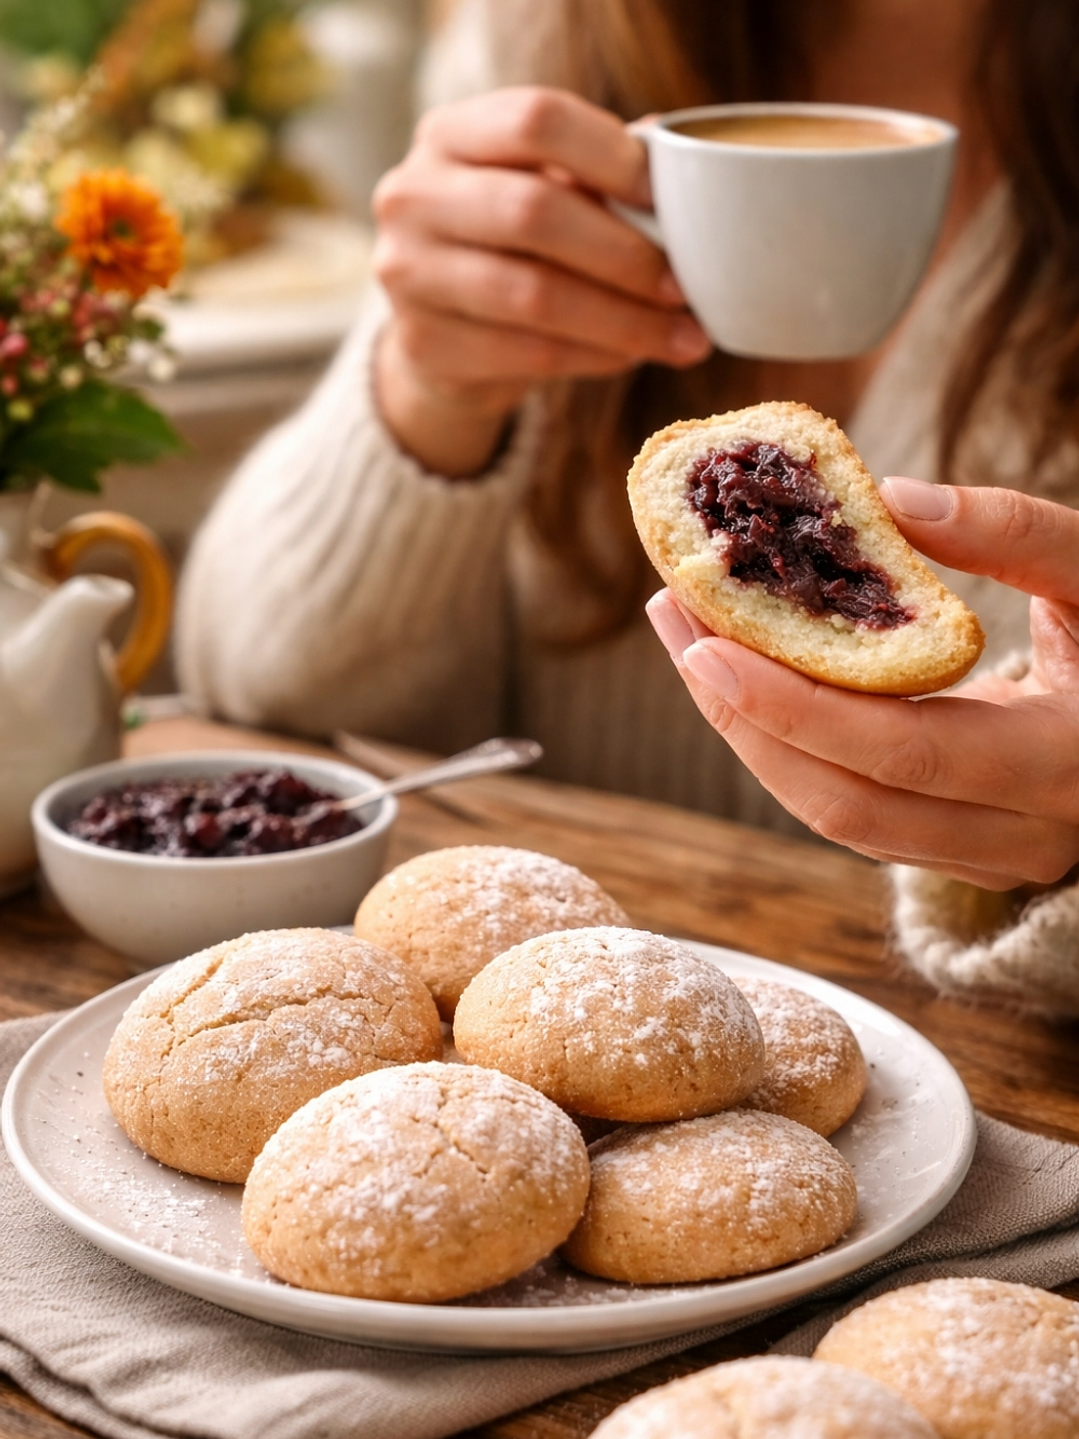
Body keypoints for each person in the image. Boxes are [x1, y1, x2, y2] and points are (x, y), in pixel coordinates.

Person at [176, 0, 1079, 1010]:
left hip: (989, 1074)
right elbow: (256, 694)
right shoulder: (545, 51)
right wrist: (427, 392)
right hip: (523, 1003)